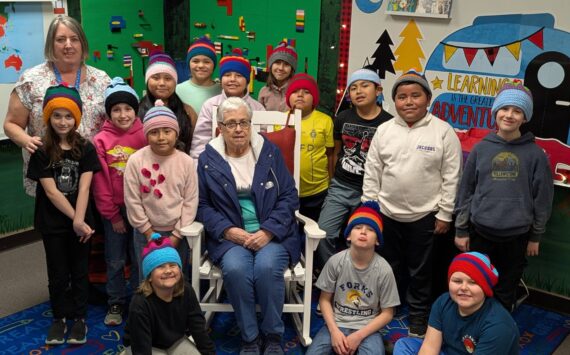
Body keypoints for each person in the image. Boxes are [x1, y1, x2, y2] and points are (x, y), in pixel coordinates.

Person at [361, 70, 463, 338]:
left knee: (421, 270)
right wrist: (370, 207)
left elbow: (452, 177)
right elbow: (372, 172)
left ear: (428, 98)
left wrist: (445, 214)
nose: (408, 102)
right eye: (402, 97)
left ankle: (419, 314)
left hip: (426, 215)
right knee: (387, 265)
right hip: (386, 213)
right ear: (394, 101)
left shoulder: (443, 132)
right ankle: (388, 308)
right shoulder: (384, 130)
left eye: (415, 96)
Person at [197, 97, 301, 354]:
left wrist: (267, 231)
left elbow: (289, 196)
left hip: (272, 233)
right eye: (231, 123)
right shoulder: (208, 158)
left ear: (251, 123)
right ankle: (250, 337)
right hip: (231, 235)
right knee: (235, 269)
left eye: (244, 122)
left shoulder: (269, 152)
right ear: (220, 127)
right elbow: (201, 205)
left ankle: (274, 336)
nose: (239, 129)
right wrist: (227, 230)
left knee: (267, 268)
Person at [454, 82, 554, 312]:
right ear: (495, 112)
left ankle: (497, 333)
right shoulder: (481, 149)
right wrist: (461, 229)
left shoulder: (536, 155)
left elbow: (543, 199)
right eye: (505, 109)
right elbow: (466, 191)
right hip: (480, 234)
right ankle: (473, 329)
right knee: (476, 285)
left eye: (517, 111)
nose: (509, 115)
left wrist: (535, 237)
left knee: (505, 290)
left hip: (517, 238)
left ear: (525, 117)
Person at [27, 85, 101, 345]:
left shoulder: (86, 148)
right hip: (54, 224)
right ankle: (59, 318)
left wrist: (80, 221)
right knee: (58, 273)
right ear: (48, 118)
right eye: (57, 115)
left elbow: (85, 186)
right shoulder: (40, 150)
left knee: (80, 271)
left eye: (68, 116)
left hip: (81, 221)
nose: (62, 121)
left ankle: (79, 318)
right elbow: (51, 192)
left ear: (77, 118)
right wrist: (76, 220)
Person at [4, 14, 110, 196]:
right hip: (49, 175)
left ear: (82, 43)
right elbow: (11, 124)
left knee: (92, 223)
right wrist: (26, 141)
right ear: (51, 45)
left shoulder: (101, 80)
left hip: (91, 175)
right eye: (60, 39)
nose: (68, 45)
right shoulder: (31, 80)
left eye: (74, 39)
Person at [316, 68, 392, 270]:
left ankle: (360, 275)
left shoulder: (389, 123)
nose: (358, 91)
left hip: (371, 192)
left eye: (365, 86)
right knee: (324, 233)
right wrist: (333, 180)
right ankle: (332, 273)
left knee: (364, 238)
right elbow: (336, 153)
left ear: (378, 90)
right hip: (340, 186)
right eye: (353, 88)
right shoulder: (342, 118)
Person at [307, 202, 400, 355]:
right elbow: (324, 300)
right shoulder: (336, 261)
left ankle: (379, 344)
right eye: (357, 228)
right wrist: (334, 331)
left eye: (370, 229)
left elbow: (388, 313)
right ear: (349, 235)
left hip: (367, 327)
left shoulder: (384, 269)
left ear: (377, 240)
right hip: (336, 323)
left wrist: (358, 336)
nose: (363, 232)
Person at [92, 77, 147, 326]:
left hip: (142, 208)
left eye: (128, 108)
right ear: (108, 112)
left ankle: (138, 300)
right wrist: (112, 215)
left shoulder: (146, 134)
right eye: (116, 109)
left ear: (135, 110)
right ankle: (115, 301)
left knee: (139, 256)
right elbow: (100, 182)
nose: (123, 114)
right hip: (114, 209)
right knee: (115, 259)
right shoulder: (100, 141)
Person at [124, 100, 198, 282]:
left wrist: (176, 235)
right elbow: (132, 200)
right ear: (147, 135)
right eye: (154, 132)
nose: (161, 137)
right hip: (145, 232)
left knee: (176, 277)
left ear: (176, 133)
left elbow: (190, 201)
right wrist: (148, 231)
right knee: (148, 277)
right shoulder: (136, 160)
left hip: (177, 233)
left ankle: (177, 310)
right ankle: (148, 311)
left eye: (167, 131)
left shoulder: (186, 162)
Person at [393, 252, 520, 355]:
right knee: (404, 345)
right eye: (457, 281)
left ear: (485, 288)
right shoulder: (443, 302)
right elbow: (430, 347)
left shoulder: (498, 326)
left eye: (473, 282)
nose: (464, 287)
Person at [123, 233, 216, 355]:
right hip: (146, 346)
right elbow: (141, 348)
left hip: (175, 341)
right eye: (160, 267)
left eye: (173, 265)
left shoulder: (186, 290)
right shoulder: (140, 303)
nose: (168, 271)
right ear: (149, 277)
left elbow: (198, 326)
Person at [190, 49, 265, 162]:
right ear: (221, 79)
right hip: (216, 166)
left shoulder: (258, 108)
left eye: (239, 75)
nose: (232, 80)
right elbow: (200, 143)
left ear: (247, 81)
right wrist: (198, 168)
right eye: (227, 75)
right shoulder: (210, 105)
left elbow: (264, 144)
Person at [285, 73, 334, 222]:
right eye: (295, 91)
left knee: (313, 230)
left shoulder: (325, 121)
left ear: (314, 99)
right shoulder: (280, 120)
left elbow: (330, 154)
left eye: (306, 92)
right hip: (287, 190)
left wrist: (331, 183)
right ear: (288, 97)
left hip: (317, 191)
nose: (300, 95)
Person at [138, 50, 196, 154]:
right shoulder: (135, 113)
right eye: (156, 78)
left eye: (168, 78)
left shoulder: (188, 112)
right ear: (147, 81)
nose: (162, 83)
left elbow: (195, 147)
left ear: (175, 82)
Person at [176, 36, 221, 129]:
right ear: (188, 64)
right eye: (195, 61)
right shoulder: (177, 90)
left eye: (207, 62)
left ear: (214, 65)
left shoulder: (221, 91)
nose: (200, 65)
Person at [258, 41, 298, 111]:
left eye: (286, 64)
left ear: (292, 69)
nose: (281, 68)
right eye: (277, 63)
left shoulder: (297, 93)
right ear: (271, 65)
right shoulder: (264, 92)